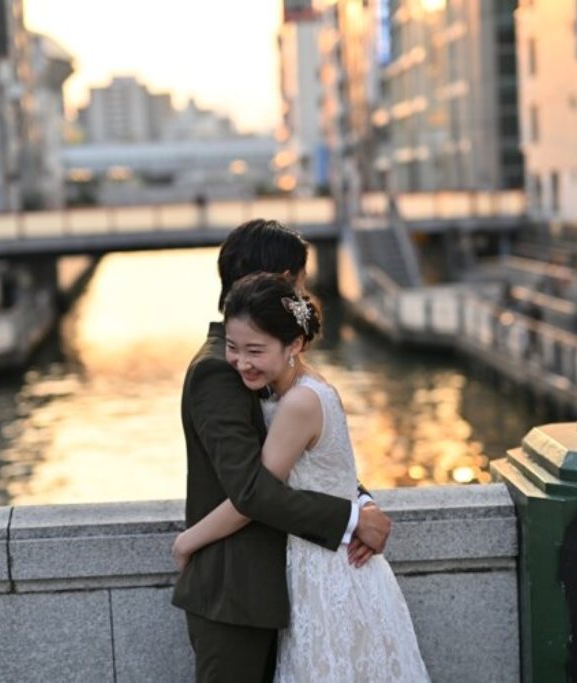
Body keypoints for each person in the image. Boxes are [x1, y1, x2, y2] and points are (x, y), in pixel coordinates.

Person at [174, 272, 429, 682]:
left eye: (255, 350)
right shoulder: (302, 386)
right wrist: (360, 508)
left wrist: (188, 540)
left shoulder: (298, 403)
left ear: (293, 344)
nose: (240, 361)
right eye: (234, 348)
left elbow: (254, 493)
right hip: (320, 560)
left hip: (326, 567)